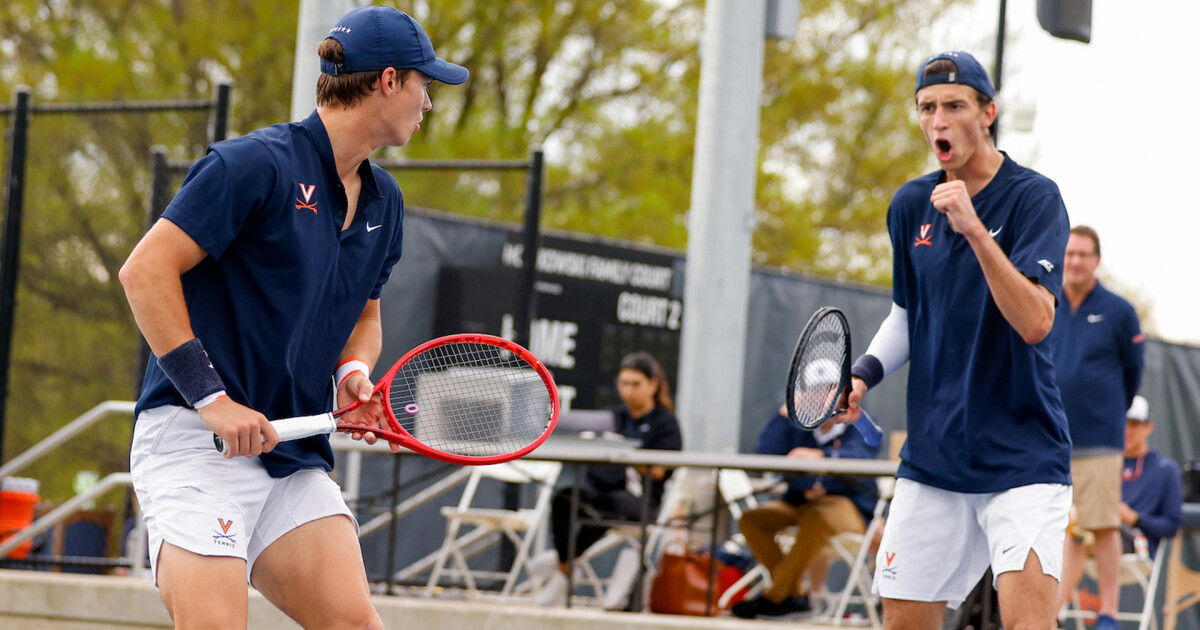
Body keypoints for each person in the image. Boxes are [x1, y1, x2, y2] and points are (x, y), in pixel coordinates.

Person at [118, 6, 467, 627]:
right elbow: (143, 272)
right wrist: (213, 400)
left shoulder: (387, 200)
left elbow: (363, 316)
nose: (429, 102)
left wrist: (352, 375)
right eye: (424, 84)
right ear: (388, 81)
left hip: (292, 455)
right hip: (198, 443)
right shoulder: (254, 163)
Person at [837, 51, 1072, 630]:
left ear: (987, 113)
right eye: (927, 107)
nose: (938, 120)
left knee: (1026, 624)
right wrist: (864, 372)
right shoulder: (909, 205)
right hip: (934, 457)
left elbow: (1036, 320)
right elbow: (905, 313)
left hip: (1023, 456)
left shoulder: (1035, 198)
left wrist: (973, 229)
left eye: (954, 106)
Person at [530, 351, 683, 609]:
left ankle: (561, 566)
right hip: (601, 489)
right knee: (565, 498)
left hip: (641, 501)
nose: (628, 391)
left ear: (653, 385)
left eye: (636, 384)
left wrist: (629, 454)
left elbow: (659, 471)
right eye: (624, 384)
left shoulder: (665, 423)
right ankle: (566, 566)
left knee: (605, 505)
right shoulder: (611, 417)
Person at [1052, 225, 1145, 630]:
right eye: (1069, 253)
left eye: (1083, 254)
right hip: (1048, 438)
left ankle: (1107, 615)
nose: (1074, 261)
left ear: (1097, 260)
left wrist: (1108, 412)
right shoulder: (1044, 298)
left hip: (1100, 441)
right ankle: (1045, 616)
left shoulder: (1119, 311)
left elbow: (1133, 372)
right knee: (1063, 531)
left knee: (1102, 525)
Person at [731, 398, 881, 620]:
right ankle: (793, 595)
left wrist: (822, 457)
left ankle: (774, 596)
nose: (820, 397)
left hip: (848, 505)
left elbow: (864, 456)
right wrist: (783, 416)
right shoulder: (799, 427)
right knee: (752, 519)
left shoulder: (857, 424)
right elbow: (764, 453)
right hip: (799, 503)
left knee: (818, 517)